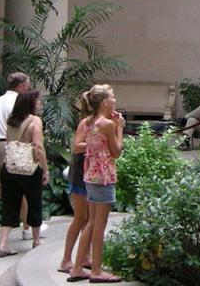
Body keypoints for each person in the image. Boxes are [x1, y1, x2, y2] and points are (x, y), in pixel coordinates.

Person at [0, 72, 47, 248]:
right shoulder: (19, 104)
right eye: (27, 87)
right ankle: (27, 229)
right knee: (23, 189)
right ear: (21, 87)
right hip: (12, 148)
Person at [69, 85, 124, 283]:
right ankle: (97, 271)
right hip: (104, 176)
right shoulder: (106, 124)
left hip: (90, 175)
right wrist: (120, 127)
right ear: (104, 102)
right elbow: (116, 151)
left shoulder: (89, 121)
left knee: (91, 223)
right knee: (99, 225)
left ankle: (76, 268)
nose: (115, 100)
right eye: (112, 97)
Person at [0, 90, 49, 257]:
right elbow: (38, 147)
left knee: (9, 204)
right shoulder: (35, 121)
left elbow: (8, 142)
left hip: (9, 167)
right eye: (37, 101)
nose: (40, 103)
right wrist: (45, 169)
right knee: (34, 202)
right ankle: (36, 241)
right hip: (29, 168)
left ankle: (3, 243)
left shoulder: (11, 121)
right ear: (30, 103)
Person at [59, 98, 93, 273]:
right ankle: (66, 259)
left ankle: (86, 256)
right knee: (80, 217)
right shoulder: (85, 123)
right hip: (80, 174)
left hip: (89, 174)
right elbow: (77, 147)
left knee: (87, 218)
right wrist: (96, 143)